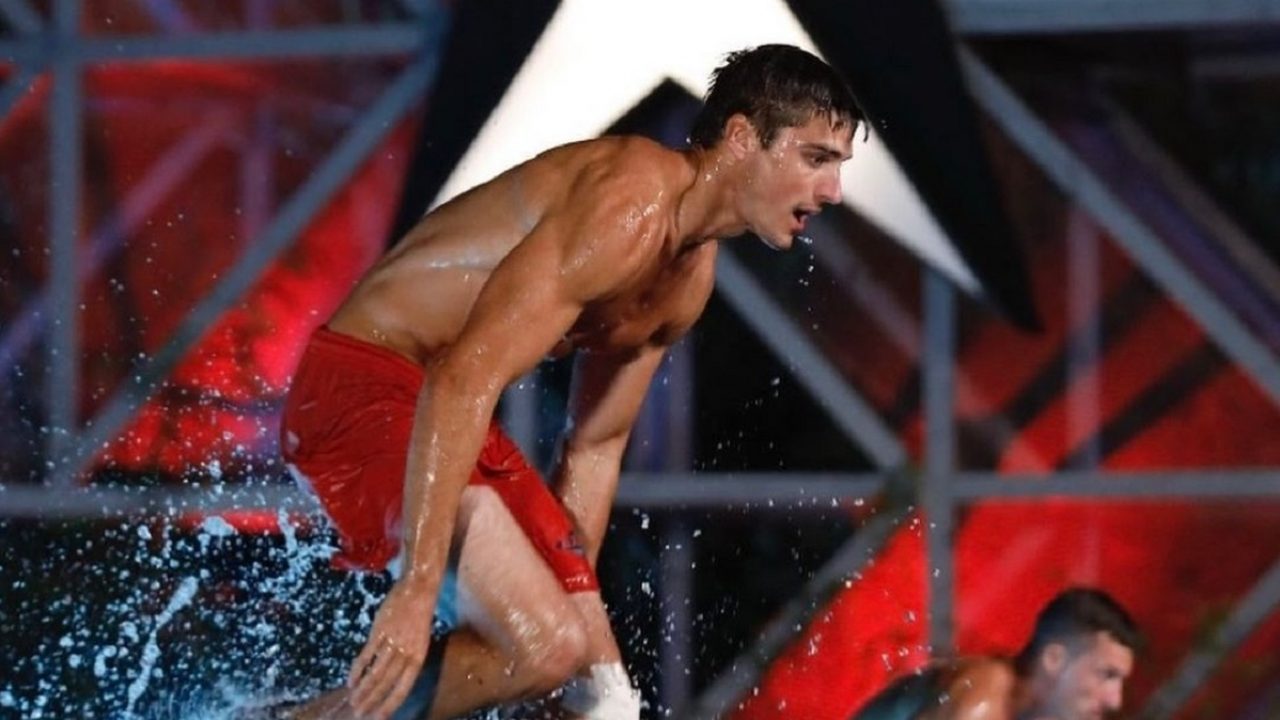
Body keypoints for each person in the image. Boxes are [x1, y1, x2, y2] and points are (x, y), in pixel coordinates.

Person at [279, 43, 863, 720]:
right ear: (740, 138)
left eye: (838, 167)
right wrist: (416, 588)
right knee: (547, 646)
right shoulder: (628, 202)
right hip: (362, 387)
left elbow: (594, 449)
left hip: (447, 413)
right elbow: (463, 377)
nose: (832, 191)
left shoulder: (687, 283)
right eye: (815, 159)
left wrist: (571, 593)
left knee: (602, 698)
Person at [852, 588, 1141, 720]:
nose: (1115, 700)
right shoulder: (981, 705)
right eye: (1106, 675)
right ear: (1054, 660)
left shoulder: (1026, 706)